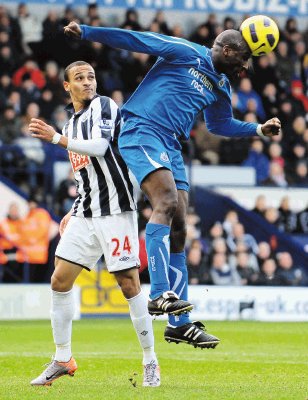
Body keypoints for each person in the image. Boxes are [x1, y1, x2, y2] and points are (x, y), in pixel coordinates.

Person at [64, 22, 281, 349]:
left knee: (179, 225)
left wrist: (258, 130)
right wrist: (88, 32)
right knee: (165, 203)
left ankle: (179, 324)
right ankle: (158, 293)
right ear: (227, 50)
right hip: (141, 130)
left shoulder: (222, 84)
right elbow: (136, 38)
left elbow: (219, 124)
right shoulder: (186, 52)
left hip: (171, 145)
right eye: (243, 58)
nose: (246, 66)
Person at [29, 61, 160, 387]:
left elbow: (102, 148)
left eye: (90, 77)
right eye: (79, 78)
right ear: (66, 86)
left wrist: (57, 139)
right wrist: (74, 209)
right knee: (59, 280)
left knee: (129, 285)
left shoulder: (104, 106)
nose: (87, 82)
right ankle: (63, 357)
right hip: (86, 213)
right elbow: (86, 175)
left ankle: (150, 359)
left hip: (117, 212)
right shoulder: (72, 125)